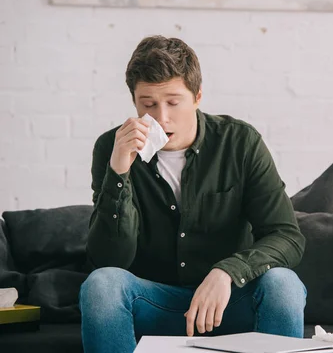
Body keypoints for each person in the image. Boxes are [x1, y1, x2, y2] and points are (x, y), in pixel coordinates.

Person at [79, 36, 306, 353]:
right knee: (101, 285)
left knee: (283, 285)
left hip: (228, 303)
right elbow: (109, 261)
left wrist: (228, 271)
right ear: (134, 102)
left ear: (197, 97)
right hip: (154, 303)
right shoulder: (112, 147)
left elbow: (286, 236)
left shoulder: (239, 142)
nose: (161, 117)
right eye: (148, 104)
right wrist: (119, 171)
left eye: (173, 102)